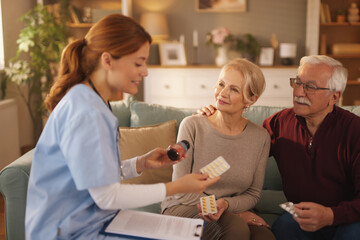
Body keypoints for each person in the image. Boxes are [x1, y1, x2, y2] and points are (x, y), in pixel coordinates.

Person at [25, 14, 219, 240]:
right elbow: (106, 196)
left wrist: (141, 163)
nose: (145, 71)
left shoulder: (93, 100)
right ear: (107, 61)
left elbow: (92, 175)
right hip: (65, 232)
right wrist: (177, 187)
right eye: (138, 62)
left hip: (87, 224)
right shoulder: (87, 111)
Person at [199, 55, 360, 239]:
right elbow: (239, 155)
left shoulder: (355, 131)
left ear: (334, 96)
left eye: (310, 87)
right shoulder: (279, 123)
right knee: (282, 231)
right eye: (298, 82)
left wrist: (331, 215)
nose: (299, 92)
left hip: (348, 219)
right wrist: (214, 120)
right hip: (299, 218)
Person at [161, 58, 276, 240]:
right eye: (221, 84)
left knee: (265, 238)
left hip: (229, 208)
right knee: (235, 227)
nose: (222, 93)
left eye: (234, 89)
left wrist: (226, 205)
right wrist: (228, 210)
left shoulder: (260, 137)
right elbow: (182, 189)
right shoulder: (192, 125)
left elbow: (253, 194)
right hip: (185, 205)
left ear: (251, 99)